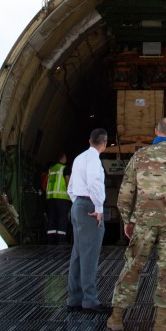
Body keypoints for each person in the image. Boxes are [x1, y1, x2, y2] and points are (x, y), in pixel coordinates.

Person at [106, 117, 166, 331]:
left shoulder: (139, 156)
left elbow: (125, 192)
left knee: (133, 266)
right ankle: (159, 324)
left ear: (155, 131)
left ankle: (117, 317)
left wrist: (127, 220)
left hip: (144, 222)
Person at [66, 127, 111, 314]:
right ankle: (90, 301)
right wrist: (98, 208)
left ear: (89, 140)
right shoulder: (94, 160)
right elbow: (93, 182)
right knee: (89, 255)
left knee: (77, 254)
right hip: (89, 207)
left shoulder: (79, 158)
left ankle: (74, 299)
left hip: (77, 205)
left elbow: (70, 187)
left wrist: (77, 204)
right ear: (105, 143)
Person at [45, 152, 71, 244]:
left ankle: (50, 240)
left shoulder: (51, 169)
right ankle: (61, 240)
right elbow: (68, 182)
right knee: (62, 219)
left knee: (52, 218)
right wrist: (71, 195)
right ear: (63, 159)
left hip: (50, 198)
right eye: (66, 159)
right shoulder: (64, 168)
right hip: (61, 198)